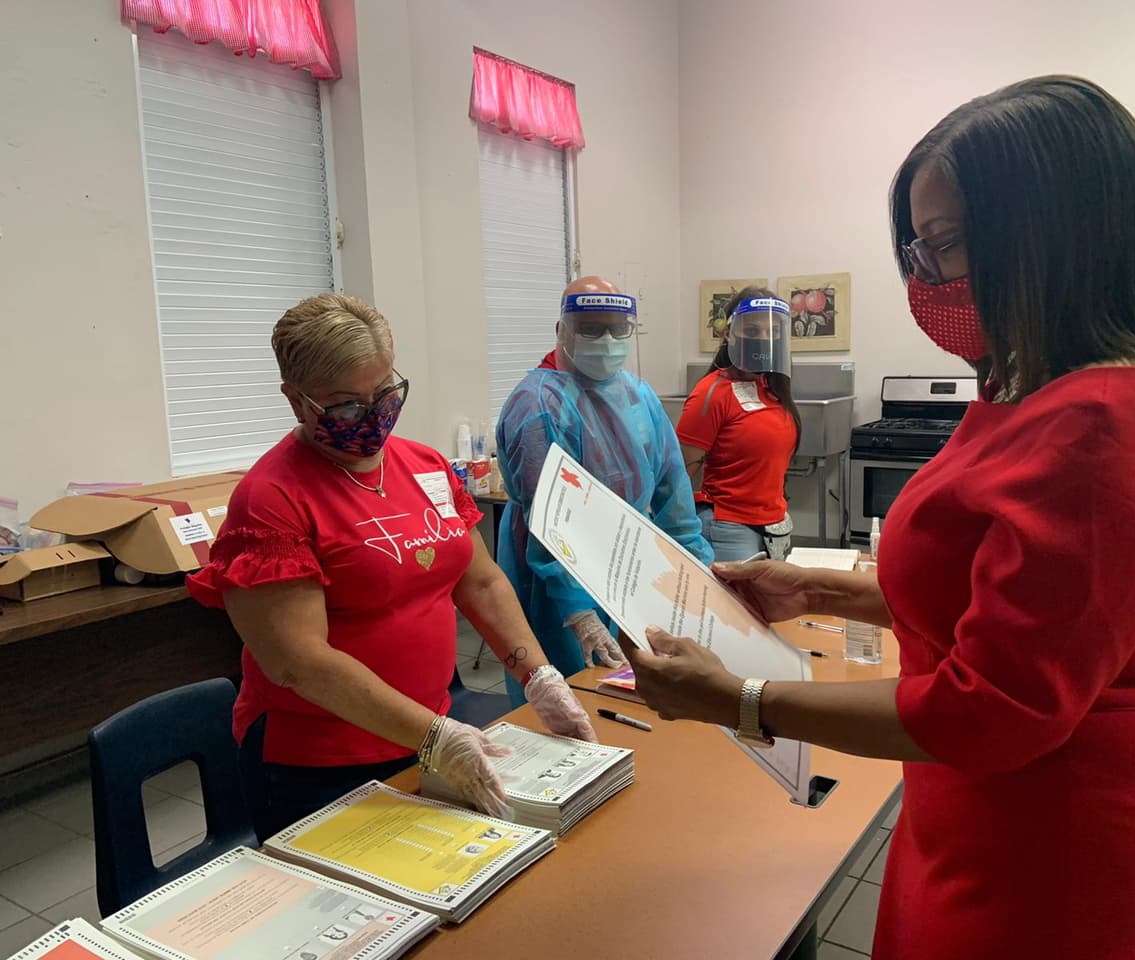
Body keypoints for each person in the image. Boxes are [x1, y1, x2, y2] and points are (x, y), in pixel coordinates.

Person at [621, 76, 1135, 959]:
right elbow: (993, 599)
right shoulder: (1039, 390)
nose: (926, 279)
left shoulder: (1108, 421)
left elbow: (993, 708)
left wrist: (741, 702)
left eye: (942, 246)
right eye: (916, 252)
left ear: (1050, 236)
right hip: (979, 812)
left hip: (1071, 852)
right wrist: (817, 591)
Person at [188, 293, 596, 836]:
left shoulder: (424, 465)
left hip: (429, 730)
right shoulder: (271, 499)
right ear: (296, 400)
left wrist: (539, 676)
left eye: (384, 393)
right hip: (321, 760)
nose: (373, 414)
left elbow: (478, 581)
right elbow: (300, 662)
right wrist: (434, 737)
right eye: (347, 405)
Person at [496, 276, 713, 704]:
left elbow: (673, 489)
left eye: (617, 329)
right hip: (555, 580)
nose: (607, 340)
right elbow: (551, 522)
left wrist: (696, 566)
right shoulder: (537, 406)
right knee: (569, 697)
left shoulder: (637, 394)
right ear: (562, 331)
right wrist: (578, 611)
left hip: (630, 565)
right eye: (591, 329)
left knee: (635, 690)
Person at [677, 288, 801, 561]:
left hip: (774, 526)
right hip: (729, 529)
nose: (764, 339)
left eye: (772, 332)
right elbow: (679, 475)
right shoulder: (711, 393)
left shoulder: (773, 388)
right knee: (736, 605)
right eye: (753, 331)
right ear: (729, 333)